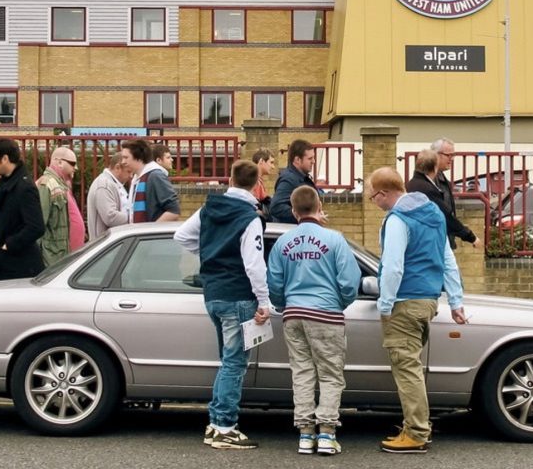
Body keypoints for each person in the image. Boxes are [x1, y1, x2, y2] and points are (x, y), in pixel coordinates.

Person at [367, 166, 466, 454]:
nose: (374, 202)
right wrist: (456, 300)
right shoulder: (434, 213)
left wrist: (385, 304)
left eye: (374, 197)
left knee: (406, 369)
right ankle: (417, 423)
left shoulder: (398, 220)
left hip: (404, 301)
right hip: (427, 300)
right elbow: (447, 258)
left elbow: (394, 266)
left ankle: (416, 433)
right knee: (413, 367)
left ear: (384, 193)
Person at [174, 160, 270, 450]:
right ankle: (224, 426)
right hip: (238, 296)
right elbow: (254, 265)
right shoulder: (250, 217)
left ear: (229, 178)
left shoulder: (209, 208)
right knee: (234, 363)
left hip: (213, 294)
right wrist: (264, 301)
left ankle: (217, 423)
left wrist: (210, 255)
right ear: (255, 185)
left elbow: (181, 236)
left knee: (227, 361)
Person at [267, 186, 360, 456]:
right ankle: (327, 434)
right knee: (330, 375)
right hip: (326, 313)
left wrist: (285, 305)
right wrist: (339, 303)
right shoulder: (334, 239)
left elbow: (274, 282)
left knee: (302, 373)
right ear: (319, 207)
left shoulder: (284, 243)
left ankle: (305, 434)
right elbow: (349, 281)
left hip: (294, 315)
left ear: (294, 211)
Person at [0, 138, 46, 281]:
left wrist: (9, 245)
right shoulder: (7, 184)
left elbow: (36, 227)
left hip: (18, 268)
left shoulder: (24, 188)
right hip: (5, 266)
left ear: (5, 159)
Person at [406, 139, 480, 250]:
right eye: (448, 155)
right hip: (436, 243)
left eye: (453, 155)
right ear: (435, 155)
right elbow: (444, 214)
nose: (452, 159)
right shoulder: (429, 183)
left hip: (442, 240)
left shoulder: (438, 178)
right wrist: (470, 236)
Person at [35, 147, 79, 266]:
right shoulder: (46, 184)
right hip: (50, 258)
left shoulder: (60, 185)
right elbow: (39, 225)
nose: (75, 168)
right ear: (59, 162)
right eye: (72, 163)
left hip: (59, 256)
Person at [122, 138, 180, 222]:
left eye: (126, 157)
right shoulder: (137, 179)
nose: (123, 162)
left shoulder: (155, 176)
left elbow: (173, 211)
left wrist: (150, 230)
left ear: (138, 157)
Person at [270, 139, 321, 224]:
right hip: (293, 231)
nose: (313, 161)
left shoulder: (299, 177)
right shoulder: (289, 179)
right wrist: (307, 217)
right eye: (310, 158)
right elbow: (276, 207)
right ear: (297, 160)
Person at [86, 152, 132, 240]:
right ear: (117, 167)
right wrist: (134, 218)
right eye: (128, 171)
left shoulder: (113, 184)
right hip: (104, 245)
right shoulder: (104, 185)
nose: (131, 176)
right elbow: (110, 217)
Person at [251, 148, 276, 217]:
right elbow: (254, 208)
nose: (273, 167)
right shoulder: (255, 182)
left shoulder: (256, 180)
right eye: (271, 162)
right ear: (261, 161)